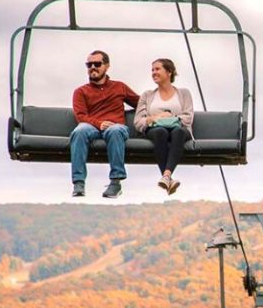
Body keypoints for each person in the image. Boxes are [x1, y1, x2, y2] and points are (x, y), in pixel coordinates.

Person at [70, 50, 139, 198]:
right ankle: (78, 182)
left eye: (97, 64)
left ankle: (115, 182)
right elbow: (81, 115)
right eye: (89, 65)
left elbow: (140, 103)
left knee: (115, 131)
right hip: (91, 126)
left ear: (106, 66)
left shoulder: (119, 87)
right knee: (79, 132)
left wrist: (163, 108)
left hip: (115, 126)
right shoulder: (81, 91)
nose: (93, 67)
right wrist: (99, 123)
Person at [134, 58, 193, 195]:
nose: (154, 72)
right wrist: (154, 118)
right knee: (160, 132)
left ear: (169, 72)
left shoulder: (184, 93)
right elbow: (138, 122)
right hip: (155, 129)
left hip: (179, 128)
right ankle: (168, 176)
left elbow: (188, 117)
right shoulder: (147, 95)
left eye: (157, 69)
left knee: (178, 132)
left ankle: (166, 177)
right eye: (152, 70)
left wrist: (171, 118)